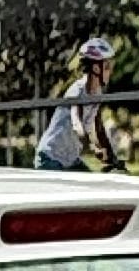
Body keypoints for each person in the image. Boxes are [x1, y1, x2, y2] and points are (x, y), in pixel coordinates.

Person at [33, 34, 122, 173]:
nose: (110, 71)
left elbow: (99, 128)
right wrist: (93, 147)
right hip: (50, 158)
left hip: (70, 159)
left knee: (91, 182)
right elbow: (77, 123)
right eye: (106, 67)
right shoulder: (78, 90)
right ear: (96, 68)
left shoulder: (97, 93)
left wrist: (112, 157)